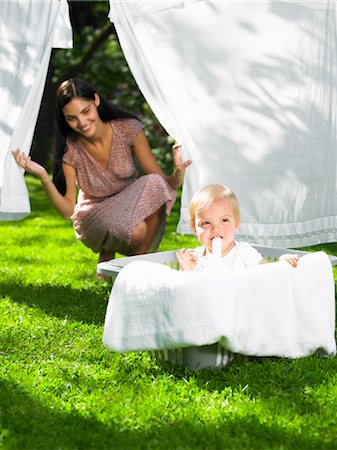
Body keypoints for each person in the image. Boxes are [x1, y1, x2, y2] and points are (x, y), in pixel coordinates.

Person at [12, 78, 191, 274]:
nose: (81, 123)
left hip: (129, 204)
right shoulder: (70, 149)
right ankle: (116, 262)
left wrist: (178, 172)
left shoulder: (128, 129)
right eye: (71, 118)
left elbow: (164, 186)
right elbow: (66, 211)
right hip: (93, 214)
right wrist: (43, 176)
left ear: (96, 100)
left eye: (85, 111)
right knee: (137, 229)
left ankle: (133, 270)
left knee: (155, 184)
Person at [176, 184, 299, 272]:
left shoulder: (244, 252)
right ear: (194, 228)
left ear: (236, 224)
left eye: (224, 220)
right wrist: (186, 270)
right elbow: (188, 293)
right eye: (206, 223)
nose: (216, 229)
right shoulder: (193, 257)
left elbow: (268, 275)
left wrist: (282, 265)